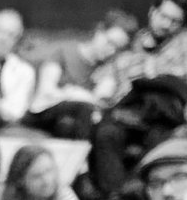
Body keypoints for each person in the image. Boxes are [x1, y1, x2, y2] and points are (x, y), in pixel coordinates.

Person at [85, 0, 187, 200]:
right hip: (129, 111)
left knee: (161, 142)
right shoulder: (134, 42)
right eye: (163, 16)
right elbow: (109, 75)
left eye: (174, 21)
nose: (166, 24)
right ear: (152, 12)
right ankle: (115, 199)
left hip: (164, 117)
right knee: (105, 133)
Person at [25, 9, 136, 141]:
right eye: (110, 42)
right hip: (44, 113)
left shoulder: (108, 69)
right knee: (80, 112)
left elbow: (101, 104)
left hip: (75, 123)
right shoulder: (64, 52)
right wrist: (74, 95)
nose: (111, 51)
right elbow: (46, 92)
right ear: (99, 32)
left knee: (78, 124)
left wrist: (85, 95)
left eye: (117, 48)